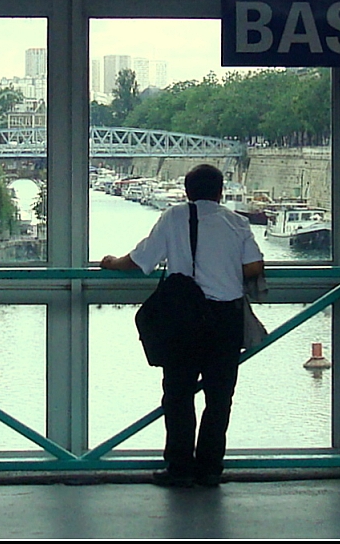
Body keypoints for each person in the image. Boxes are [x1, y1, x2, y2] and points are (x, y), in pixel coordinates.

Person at [100, 164, 264, 488]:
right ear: (221, 192)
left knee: (178, 394)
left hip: (184, 319)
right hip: (226, 320)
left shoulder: (174, 217)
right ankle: (210, 468)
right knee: (219, 398)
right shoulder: (238, 222)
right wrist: (224, 270)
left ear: (187, 192)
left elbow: (141, 260)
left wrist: (111, 262)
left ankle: (179, 467)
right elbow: (254, 266)